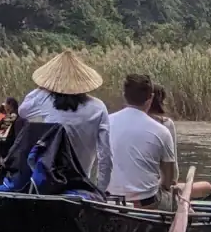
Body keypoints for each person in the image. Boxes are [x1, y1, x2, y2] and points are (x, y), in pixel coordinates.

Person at [11, 51, 112, 191]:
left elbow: (22, 111)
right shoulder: (98, 107)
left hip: (48, 184)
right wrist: (100, 189)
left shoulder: (43, 100)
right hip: (80, 185)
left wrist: (41, 88)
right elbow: (105, 155)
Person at [105, 73, 182, 205]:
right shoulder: (162, 130)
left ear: (124, 96)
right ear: (150, 98)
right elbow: (169, 180)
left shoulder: (105, 122)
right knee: (169, 193)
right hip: (145, 202)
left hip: (107, 199)